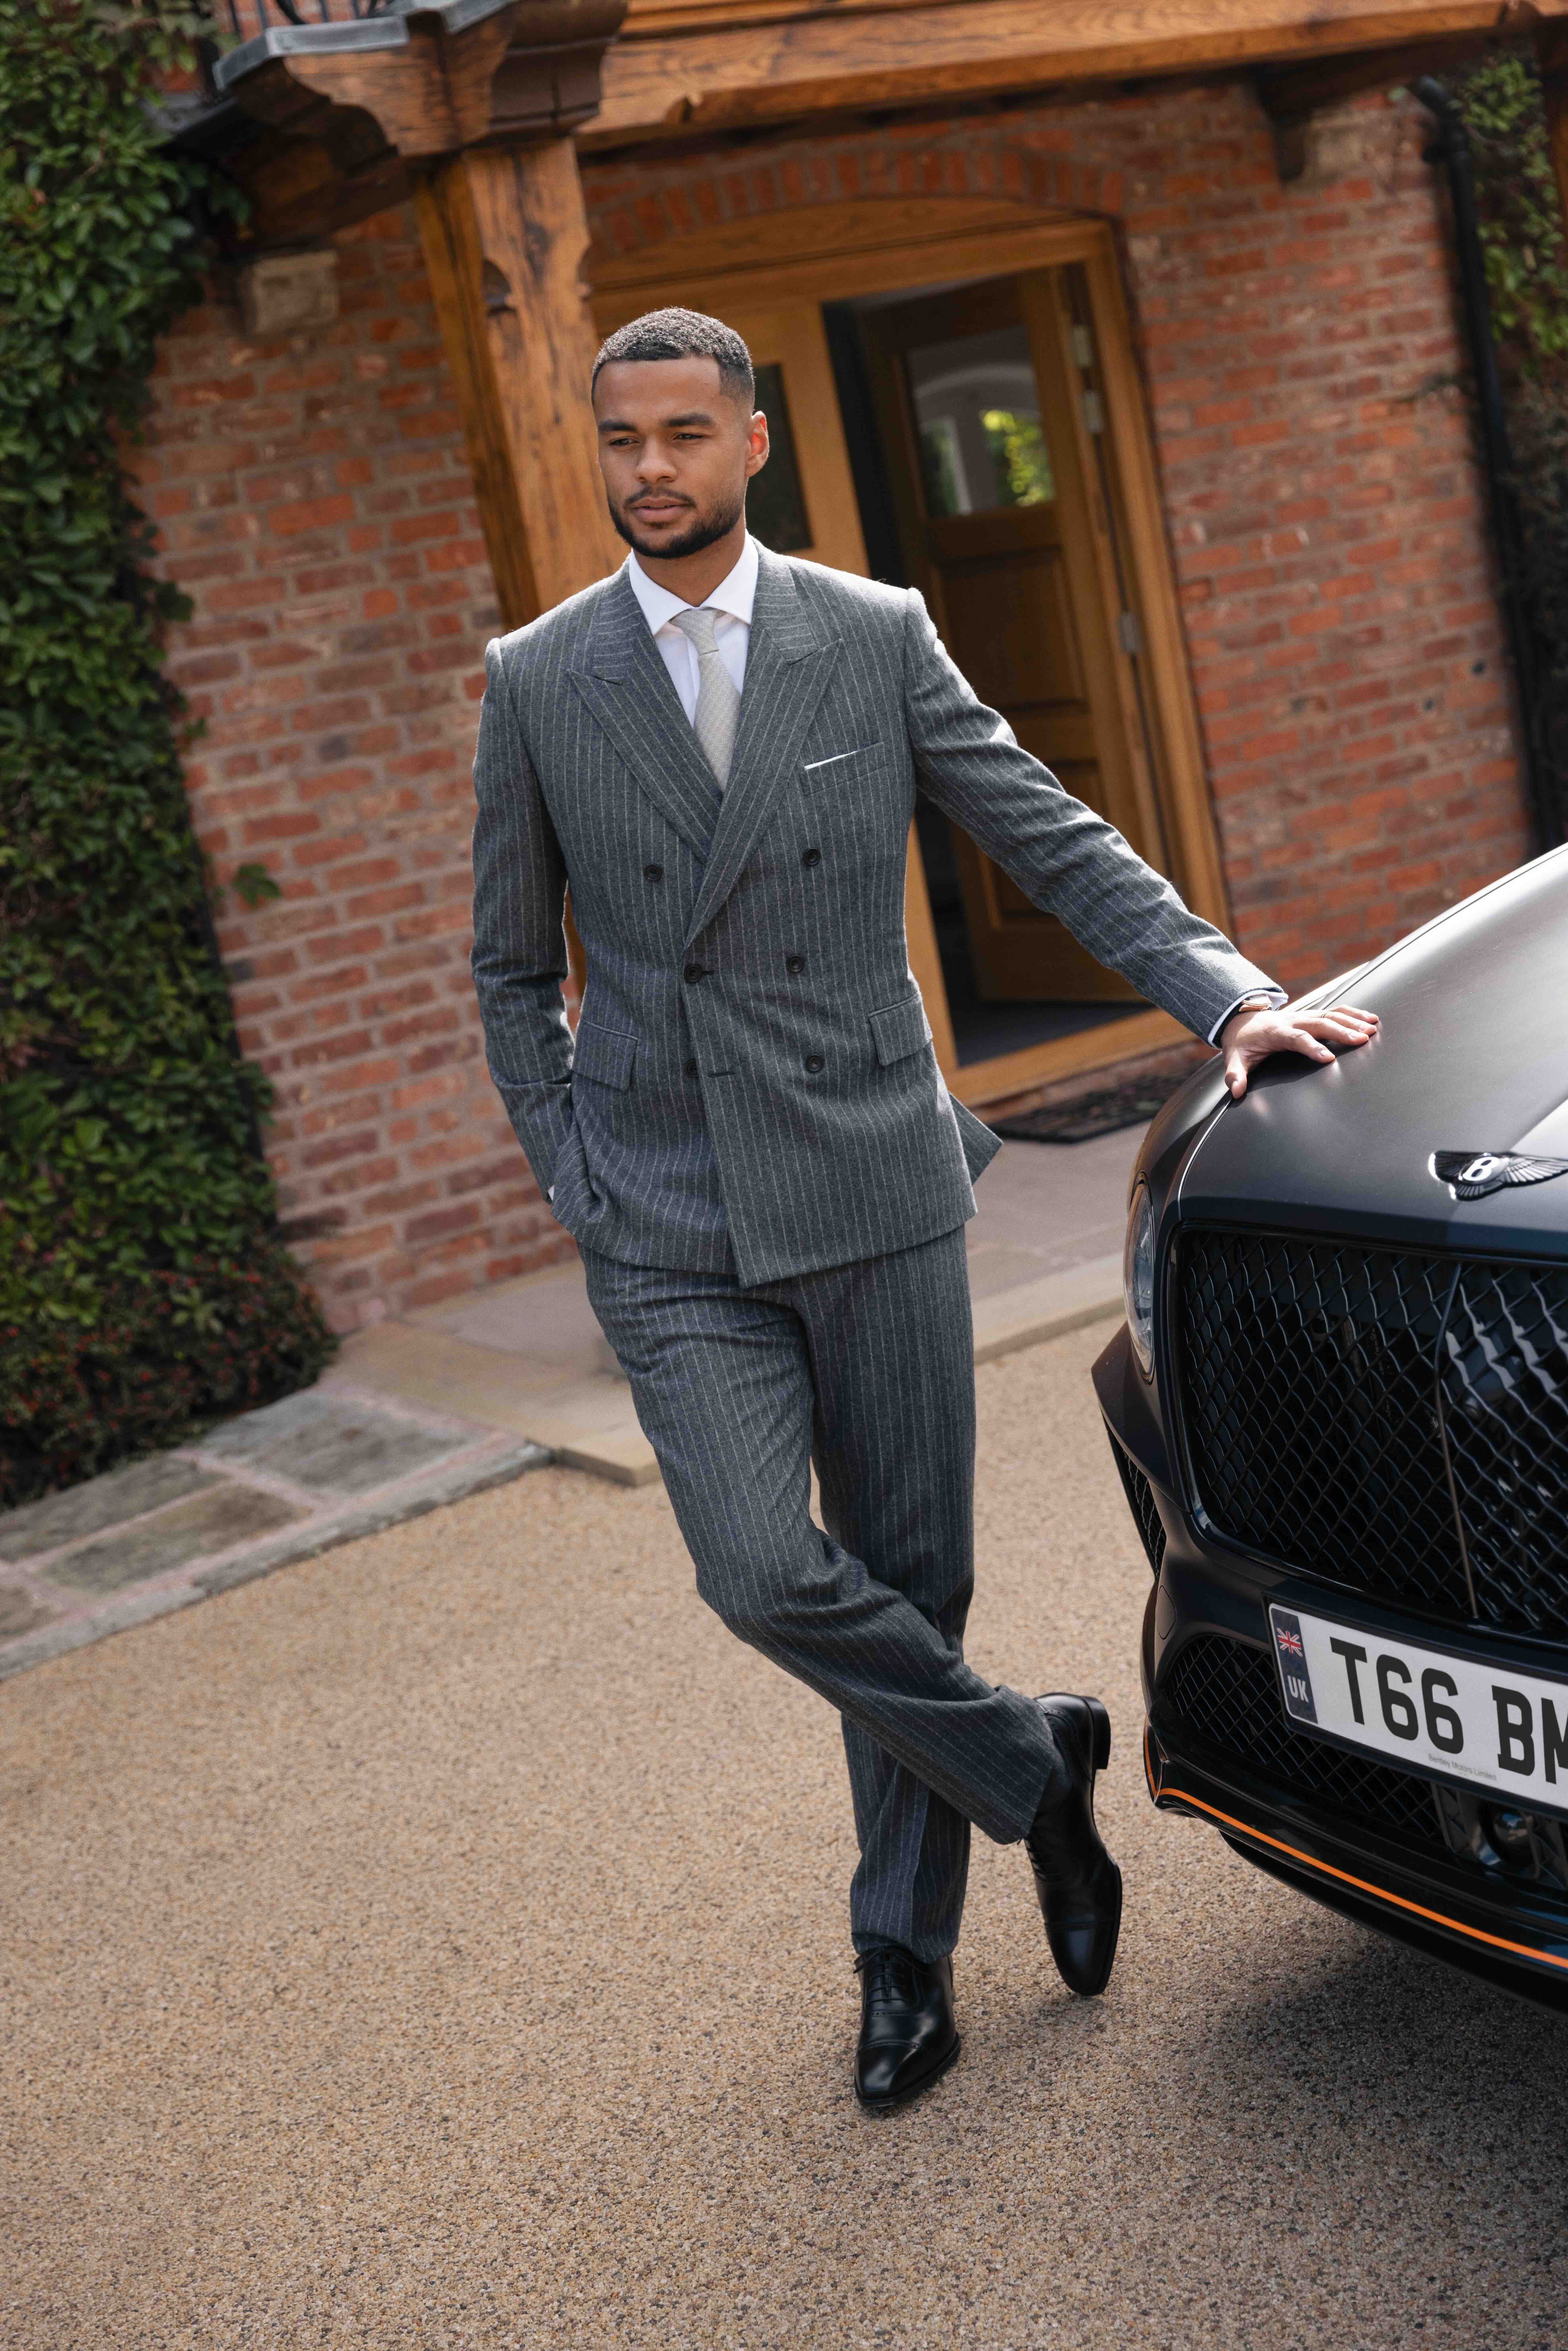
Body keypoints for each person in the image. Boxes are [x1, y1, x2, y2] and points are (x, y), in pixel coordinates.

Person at [469, 307, 1379, 2113]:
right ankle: (1035, 1759)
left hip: (870, 1172)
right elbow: (507, 969)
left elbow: (1038, 830)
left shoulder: (867, 637)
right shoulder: (538, 677)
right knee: (756, 1568)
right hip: (667, 1205)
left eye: (679, 434)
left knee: (910, 1573)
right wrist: (575, 1171)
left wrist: (1221, 994)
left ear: (750, 447)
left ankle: (903, 1958)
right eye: (619, 441)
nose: (646, 469)